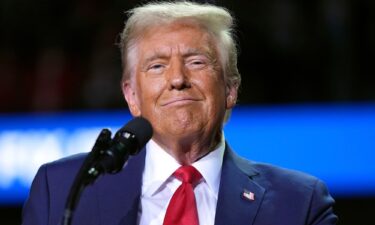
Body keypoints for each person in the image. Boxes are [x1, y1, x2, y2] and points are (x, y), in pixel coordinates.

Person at [22, 1, 337, 225]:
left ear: (230, 89)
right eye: (157, 66)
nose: (177, 79)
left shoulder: (299, 203)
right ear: (132, 95)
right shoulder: (63, 190)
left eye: (196, 62)